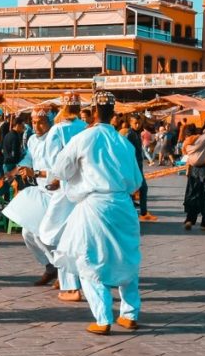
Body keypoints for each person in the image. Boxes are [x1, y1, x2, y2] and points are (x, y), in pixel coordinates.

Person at [51, 92, 143, 335]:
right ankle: (130, 314)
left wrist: (78, 175)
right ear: (113, 113)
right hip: (123, 205)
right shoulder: (124, 142)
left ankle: (103, 318)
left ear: (92, 113)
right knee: (128, 257)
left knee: (89, 259)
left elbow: (60, 168)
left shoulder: (83, 138)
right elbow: (136, 181)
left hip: (95, 205)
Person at [40, 92, 89, 301]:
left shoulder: (58, 130)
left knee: (53, 234)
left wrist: (54, 179)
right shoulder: (86, 129)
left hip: (64, 186)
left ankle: (70, 284)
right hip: (84, 187)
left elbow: (52, 161)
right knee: (78, 233)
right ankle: (79, 279)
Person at [3, 109, 56, 285]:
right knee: (28, 232)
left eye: (40, 121)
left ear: (49, 121)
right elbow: (28, 159)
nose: (36, 125)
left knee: (44, 233)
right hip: (40, 191)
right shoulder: (32, 140)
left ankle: (64, 270)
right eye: (33, 122)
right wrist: (15, 172)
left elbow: (60, 171)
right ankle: (50, 266)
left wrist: (38, 173)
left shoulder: (55, 139)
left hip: (56, 193)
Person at [126, 114, 156, 222]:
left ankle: (140, 213)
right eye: (135, 123)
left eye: (139, 123)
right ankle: (141, 213)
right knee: (141, 188)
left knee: (138, 189)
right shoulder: (130, 134)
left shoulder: (136, 133)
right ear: (130, 123)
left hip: (137, 165)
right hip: (133, 166)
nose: (138, 125)